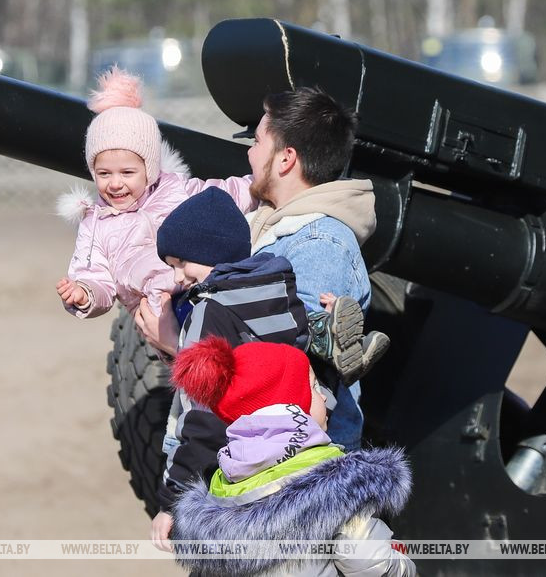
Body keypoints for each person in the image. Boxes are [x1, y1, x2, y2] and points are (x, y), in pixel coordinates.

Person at [148, 187, 389, 548]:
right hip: (301, 449)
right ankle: (327, 333)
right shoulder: (277, 288)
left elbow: (204, 415)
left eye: (180, 263)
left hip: (244, 472)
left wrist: (174, 499)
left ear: (209, 250)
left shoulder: (208, 312)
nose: (178, 277)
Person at [137, 86, 375, 452]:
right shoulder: (264, 228)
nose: (249, 152)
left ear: (285, 159)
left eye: (258, 141)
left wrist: (177, 344)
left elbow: (292, 374)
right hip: (251, 455)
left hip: (288, 476)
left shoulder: (319, 244)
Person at [167, 336, 416, 577]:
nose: (324, 397)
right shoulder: (339, 488)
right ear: (292, 408)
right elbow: (370, 562)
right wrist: (404, 567)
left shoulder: (221, 490)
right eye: (314, 387)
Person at [55, 66, 254, 320]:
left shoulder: (174, 189)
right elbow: (96, 276)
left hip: (202, 289)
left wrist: (261, 184)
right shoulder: (95, 223)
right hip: (157, 312)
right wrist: (84, 292)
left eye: (127, 173)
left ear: (148, 168)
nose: (115, 183)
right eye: (104, 174)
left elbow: (225, 195)